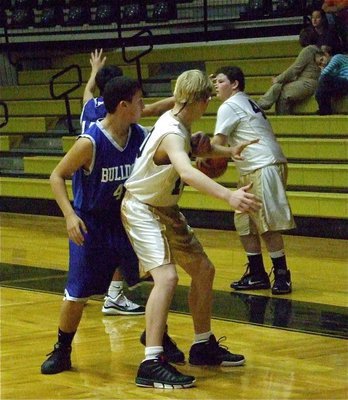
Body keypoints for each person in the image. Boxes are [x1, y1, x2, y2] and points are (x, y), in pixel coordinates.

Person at [121, 69, 261, 389]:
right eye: (206, 101)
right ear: (198, 100)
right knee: (168, 277)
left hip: (165, 209)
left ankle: (201, 345)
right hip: (142, 208)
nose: (207, 107)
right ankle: (151, 361)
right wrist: (229, 195)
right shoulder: (171, 130)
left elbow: (195, 150)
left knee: (204, 270)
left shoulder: (179, 123)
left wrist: (227, 152)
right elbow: (185, 170)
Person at [41, 76, 149, 375]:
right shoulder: (91, 142)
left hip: (124, 219)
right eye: (140, 101)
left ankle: (157, 339)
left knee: (160, 275)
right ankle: (62, 350)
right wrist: (69, 216)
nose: (144, 106)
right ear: (124, 106)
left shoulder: (139, 134)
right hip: (91, 223)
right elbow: (56, 176)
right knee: (77, 293)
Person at [81, 49, 175, 316]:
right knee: (121, 234)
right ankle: (113, 294)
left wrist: (93, 71)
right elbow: (153, 109)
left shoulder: (90, 106)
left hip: (92, 182)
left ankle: (97, 290)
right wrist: (180, 98)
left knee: (108, 242)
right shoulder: (114, 121)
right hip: (106, 176)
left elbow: (87, 92)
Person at [211, 66, 296, 295]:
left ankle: (282, 274)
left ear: (235, 84)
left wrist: (199, 157)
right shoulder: (245, 101)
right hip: (254, 166)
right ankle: (257, 274)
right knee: (244, 222)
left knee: (264, 222)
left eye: (220, 81)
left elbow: (215, 144)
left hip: (262, 164)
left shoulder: (229, 105)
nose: (216, 86)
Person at [257, 27, 321, 114]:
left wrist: (278, 79)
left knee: (283, 93)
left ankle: (263, 107)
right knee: (278, 86)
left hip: (307, 83)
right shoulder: (317, 49)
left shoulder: (308, 50)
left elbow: (294, 69)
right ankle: (261, 105)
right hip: (308, 82)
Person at [314, 48, 348, 114]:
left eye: (322, 59)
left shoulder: (337, 57)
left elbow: (324, 75)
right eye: (320, 64)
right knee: (320, 91)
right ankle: (325, 110)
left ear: (326, 54)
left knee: (325, 79)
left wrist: (322, 69)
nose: (322, 63)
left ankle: (325, 110)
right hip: (343, 86)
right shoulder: (334, 70)